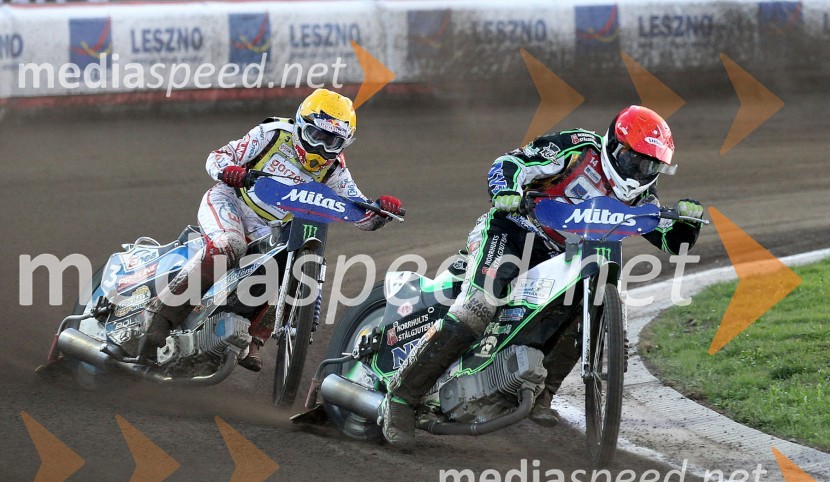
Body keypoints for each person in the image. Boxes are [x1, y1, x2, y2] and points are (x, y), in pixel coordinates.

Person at [382, 105, 704, 448]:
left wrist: (687, 219)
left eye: (650, 165)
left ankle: (542, 394)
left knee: (584, 309)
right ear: (613, 145)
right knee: (478, 306)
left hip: (566, 256)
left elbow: (672, 241)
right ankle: (401, 399)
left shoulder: (642, 195)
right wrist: (506, 190)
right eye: (633, 159)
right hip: (515, 232)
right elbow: (511, 163)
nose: (639, 171)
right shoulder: (577, 148)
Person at [139, 89, 404, 369]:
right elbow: (217, 156)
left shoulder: (334, 169)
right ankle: (160, 317)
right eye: (317, 137)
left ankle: (253, 339)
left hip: (271, 230)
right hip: (231, 202)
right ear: (301, 125)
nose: (322, 149)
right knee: (231, 245)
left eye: (333, 142)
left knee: (287, 266)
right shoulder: (273, 134)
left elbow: (357, 211)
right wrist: (228, 170)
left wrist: (380, 210)